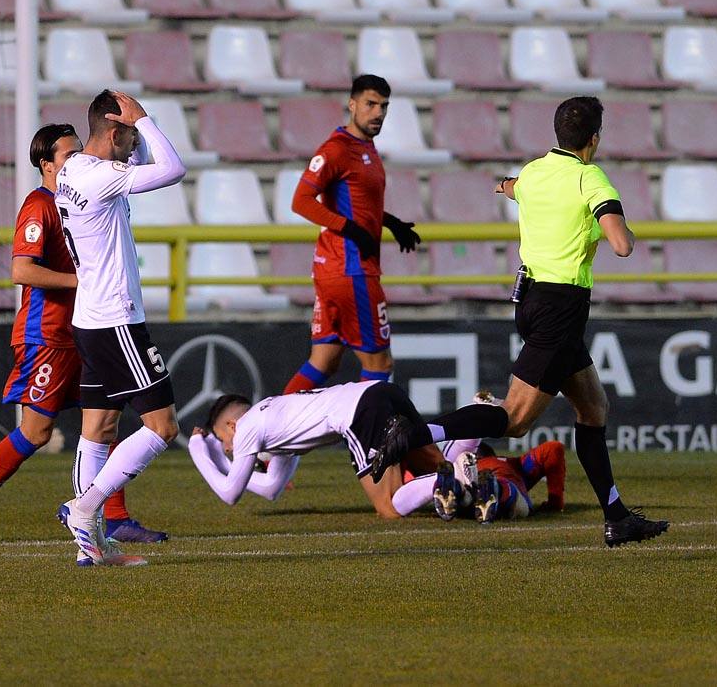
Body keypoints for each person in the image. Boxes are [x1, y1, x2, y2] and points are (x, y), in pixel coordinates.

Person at [381, 97, 669, 547]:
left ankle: (616, 516)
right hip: (561, 306)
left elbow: (512, 186)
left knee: (593, 409)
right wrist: (626, 230)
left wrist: (504, 186)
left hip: (532, 300)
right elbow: (621, 245)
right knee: (515, 420)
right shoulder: (590, 177)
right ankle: (416, 432)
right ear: (595, 137)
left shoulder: (535, 171)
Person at [0, 123, 166, 550]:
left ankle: (113, 517)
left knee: (105, 419)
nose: (78, 158)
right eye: (68, 154)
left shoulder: (79, 195)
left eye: (79, 150)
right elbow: (20, 270)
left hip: (89, 327)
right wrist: (82, 279)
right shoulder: (39, 206)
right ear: (46, 165)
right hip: (47, 336)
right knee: (37, 431)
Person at [53, 90, 186, 567]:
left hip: (90, 320)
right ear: (114, 133)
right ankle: (84, 508)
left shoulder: (72, 170)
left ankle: (90, 548)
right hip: (117, 321)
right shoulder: (99, 176)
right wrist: (145, 119)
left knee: (99, 427)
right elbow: (172, 169)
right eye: (127, 135)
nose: (135, 144)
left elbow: (148, 161)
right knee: (163, 427)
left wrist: (137, 127)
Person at [283, 74, 421, 395]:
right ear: (352, 104)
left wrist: (390, 223)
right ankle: (366, 443)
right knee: (379, 365)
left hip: (337, 270)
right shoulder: (336, 150)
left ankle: (272, 438)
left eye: (384, 106)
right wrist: (351, 230)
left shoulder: (366, 149)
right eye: (371, 104)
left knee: (323, 361)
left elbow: (359, 204)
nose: (378, 113)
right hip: (351, 270)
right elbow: (300, 201)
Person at [187, 381, 421, 508]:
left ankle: (439, 483)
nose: (227, 448)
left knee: (388, 507)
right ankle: (451, 481)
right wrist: (225, 465)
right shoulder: (275, 420)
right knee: (429, 456)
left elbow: (230, 494)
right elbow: (271, 488)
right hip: (382, 390)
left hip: (359, 411)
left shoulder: (247, 426)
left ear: (232, 426)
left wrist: (197, 448)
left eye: (222, 440)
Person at [388, 438, 567, 524]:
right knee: (518, 503)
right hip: (503, 479)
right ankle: (494, 488)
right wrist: (555, 500)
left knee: (464, 500)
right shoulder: (515, 464)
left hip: (460, 471)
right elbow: (554, 448)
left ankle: (457, 488)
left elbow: (409, 481)